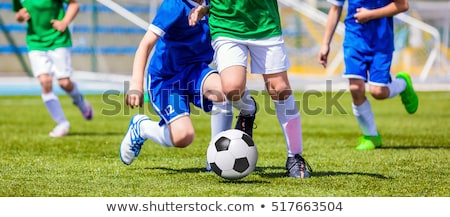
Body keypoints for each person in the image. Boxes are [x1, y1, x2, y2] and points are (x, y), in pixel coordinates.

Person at [189, 0, 312, 178]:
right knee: (231, 88)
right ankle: (248, 109)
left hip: (265, 22)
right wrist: (206, 8)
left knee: (280, 88)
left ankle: (295, 157)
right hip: (227, 24)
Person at [119, 0, 235, 166]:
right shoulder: (173, 5)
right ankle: (142, 127)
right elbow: (145, 45)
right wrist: (136, 85)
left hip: (195, 70)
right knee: (183, 137)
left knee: (226, 90)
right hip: (167, 79)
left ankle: (216, 158)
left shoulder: (215, 3)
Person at [318, 0, 418, 150]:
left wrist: (371, 15)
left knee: (378, 92)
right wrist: (326, 43)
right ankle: (371, 136)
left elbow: (402, 5)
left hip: (381, 43)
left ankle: (402, 83)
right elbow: (335, 8)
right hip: (354, 40)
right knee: (355, 88)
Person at [12, 0, 93, 138]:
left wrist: (64, 22)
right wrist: (20, 16)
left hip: (58, 39)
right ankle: (62, 123)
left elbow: (74, 5)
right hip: (35, 42)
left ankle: (80, 102)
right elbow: (18, 14)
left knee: (64, 83)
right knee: (45, 81)